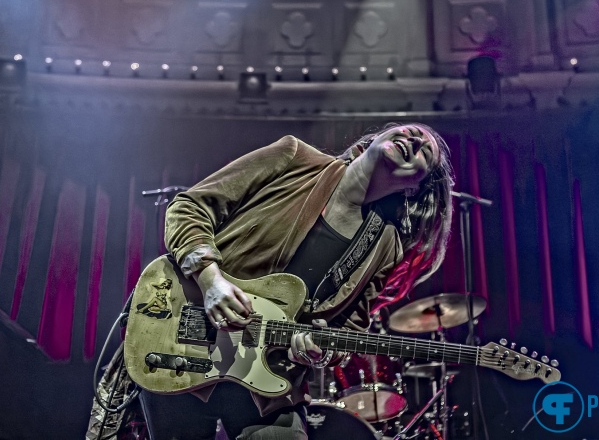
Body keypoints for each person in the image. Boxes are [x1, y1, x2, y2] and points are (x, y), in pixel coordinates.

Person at [139, 123, 454, 440]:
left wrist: (321, 352)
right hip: (182, 347)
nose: (412, 140)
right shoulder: (295, 157)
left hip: (267, 386)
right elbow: (189, 207)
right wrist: (211, 282)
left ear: (414, 187)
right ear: (375, 139)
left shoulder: (385, 247)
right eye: (408, 131)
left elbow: (349, 330)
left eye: (424, 150)